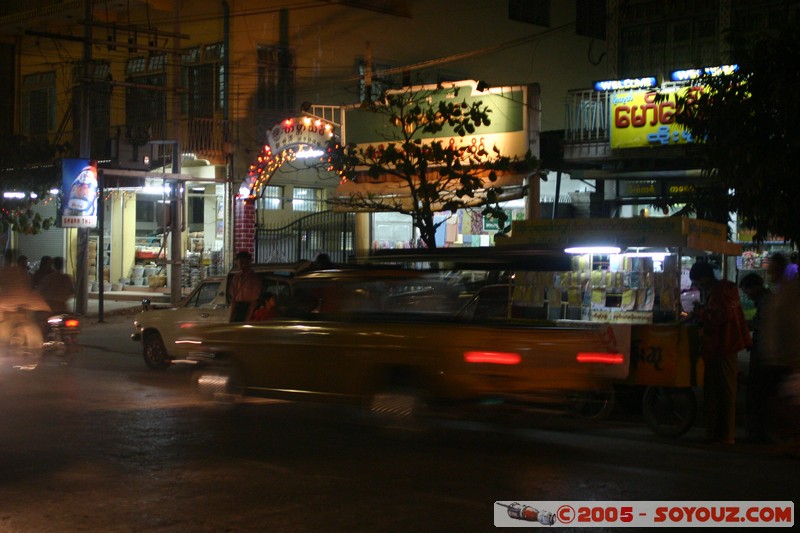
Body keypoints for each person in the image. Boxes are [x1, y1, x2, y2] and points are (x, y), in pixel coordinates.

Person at [690, 261, 751, 445]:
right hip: (727, 346)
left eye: (697, 283)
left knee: (721, 392)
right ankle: (720, 433)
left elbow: (717, 318)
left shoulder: (717, 293)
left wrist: (700, 313)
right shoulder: (726, 290)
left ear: (704, 278)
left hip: (722, 346)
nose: (698, 286)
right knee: (723, 391)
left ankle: (723, 435)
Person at [738, 272, 771, 443]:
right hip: (763, 351)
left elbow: (763, 325)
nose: (747, 295)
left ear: (755, 287)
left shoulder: (766, 303)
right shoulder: (765, 301)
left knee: (757, 394)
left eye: (747, 291)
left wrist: (745, 324)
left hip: (764, 353)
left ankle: (758, 433)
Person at [228, 251, 262, 322]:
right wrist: (230, 318)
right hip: (237, 309)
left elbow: (254, 302)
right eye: (241, 262)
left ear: (249, 262)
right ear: (237, 263)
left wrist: (248, 318)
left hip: (249, 309)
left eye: (245, 262)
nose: (243, 265)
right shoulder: (236, 278)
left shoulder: (254, 278)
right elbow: (233, 300)